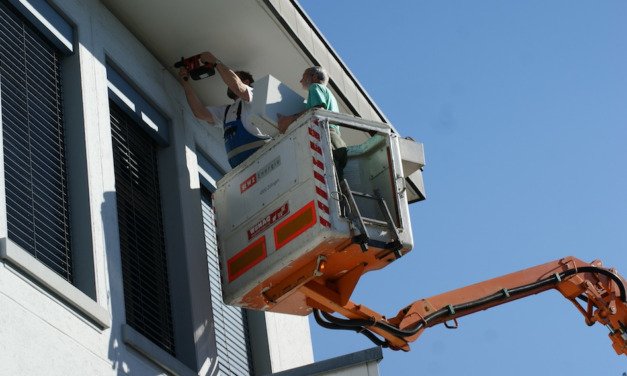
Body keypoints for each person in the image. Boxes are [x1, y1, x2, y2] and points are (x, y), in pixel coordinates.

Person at [178, 51, 271, 168]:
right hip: (243, 169)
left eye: (235, 77)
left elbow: (237, 87)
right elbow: (200, 113)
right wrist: (185, 82)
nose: (228, 84)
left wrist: (216, 62)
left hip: (264, 159)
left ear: (246, 82)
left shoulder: (255, 95)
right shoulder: (227, 112)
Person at [277, 66, 348, 181]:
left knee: (331, 180)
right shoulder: (329, 94)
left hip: (327, 136)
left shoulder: (315, 87)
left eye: (303, 77)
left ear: (314, 77)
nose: (300, 81)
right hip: (336, 140)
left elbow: (318, 108)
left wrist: (289, 120)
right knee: (337, 180)